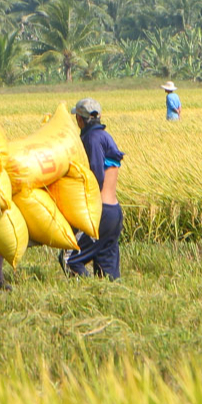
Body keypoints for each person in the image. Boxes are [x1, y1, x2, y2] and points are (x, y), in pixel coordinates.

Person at [64, 97, 124, 280]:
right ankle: (110, 299)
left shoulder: (91, 138)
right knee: (107, 268)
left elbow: (96, 175)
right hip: (114, 212)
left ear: (80, 120)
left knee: (70, 259)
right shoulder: (106, 136)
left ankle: (85, 292)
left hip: (101, 213)